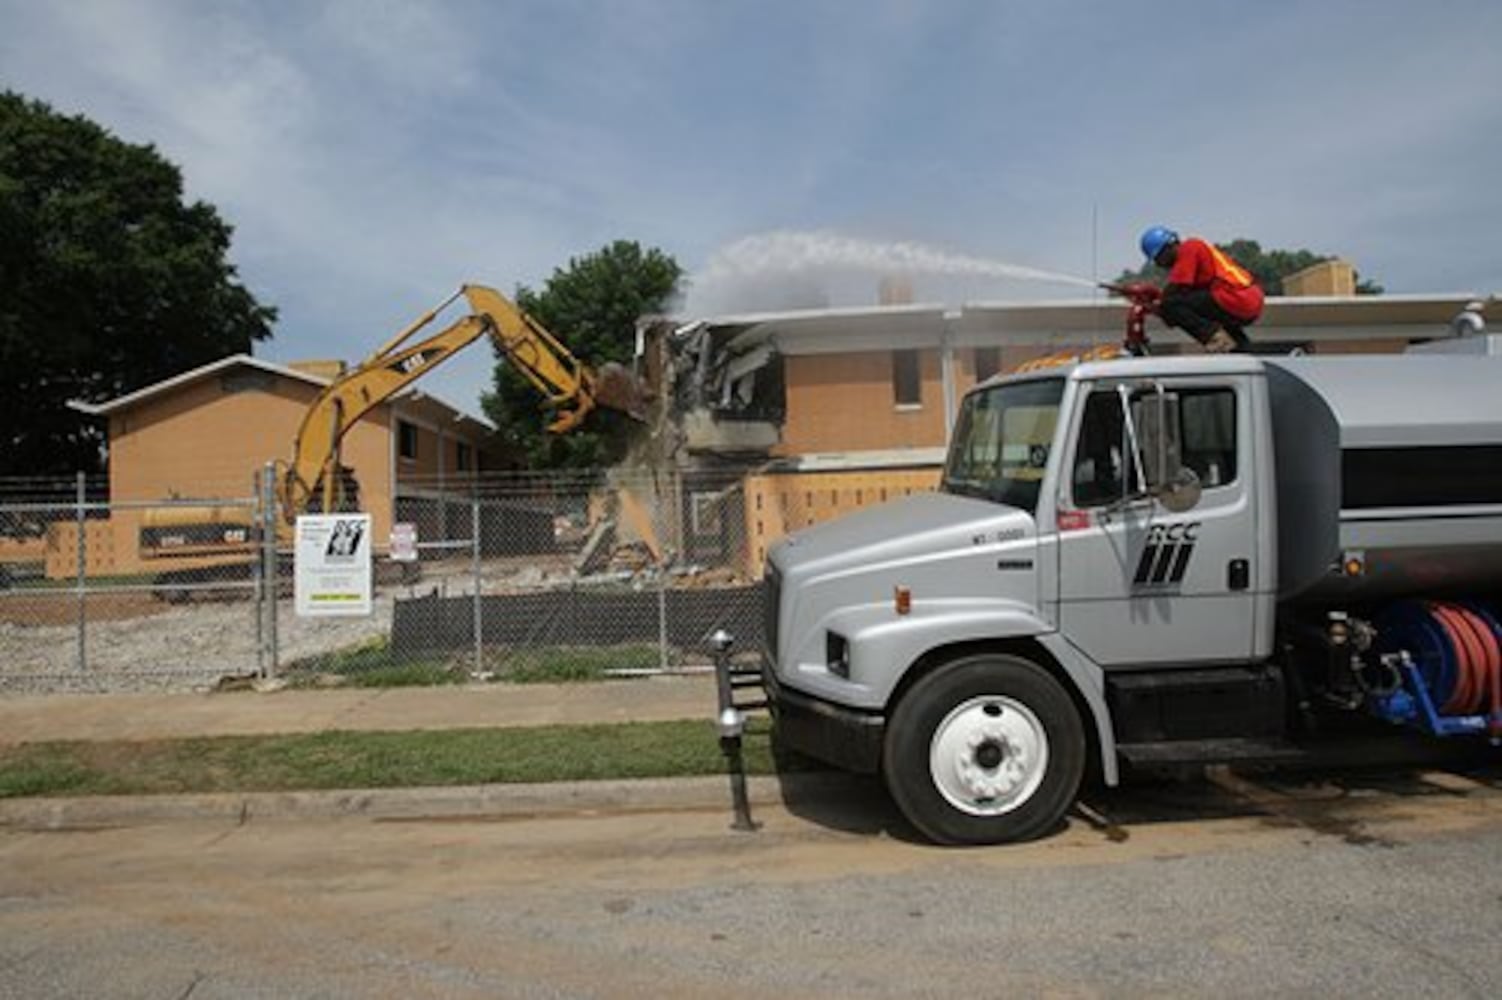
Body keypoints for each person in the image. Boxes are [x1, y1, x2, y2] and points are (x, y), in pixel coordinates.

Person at [1139, 226, 1264, 353]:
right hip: (1246, 298)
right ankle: (1242, 350)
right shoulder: (1197, 255)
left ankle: (1217, 341)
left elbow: (1176, 291)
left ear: (1168, 248)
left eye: (1158, 258)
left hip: (1236, 296)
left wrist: (1160, 305)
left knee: (1171, 304)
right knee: (1206, 314)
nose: (1159, 264)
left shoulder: (1189, 247)